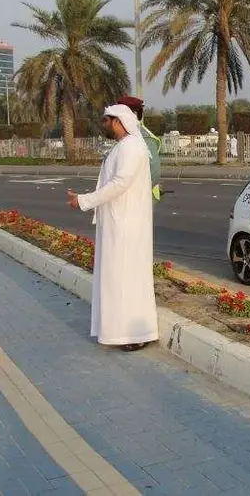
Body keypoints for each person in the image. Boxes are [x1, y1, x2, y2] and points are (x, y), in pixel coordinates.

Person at [66, 104, 158, 352]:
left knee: (124, 280)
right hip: (118, 223)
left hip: (126, 226)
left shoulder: (131, 148)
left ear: (118, 121)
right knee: (118, 280)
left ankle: (134, 334)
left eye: (106, 121)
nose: (104, 125)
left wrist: (84, 200)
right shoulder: (124, 147)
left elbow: (120, 184)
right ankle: (122, 332)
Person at [116, 95, 163, 205]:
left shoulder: (143, 137)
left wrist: (137, 191)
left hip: (140, 200)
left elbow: (153, 168)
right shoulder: (128, 135)